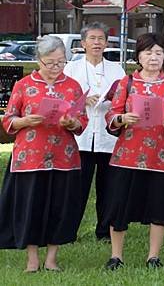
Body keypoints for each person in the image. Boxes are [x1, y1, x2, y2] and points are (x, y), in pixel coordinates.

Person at [0, 36, 88, 272]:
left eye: (60, 62)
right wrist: (25, 121)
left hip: (63, 156)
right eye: (50, 63)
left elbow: (82, 121)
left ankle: (51, 259)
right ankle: (32, 260)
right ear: (38, 60)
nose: (55, 68)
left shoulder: (72, 86)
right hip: (30, 157)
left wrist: (72, 122)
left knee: (58, 207)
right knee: (32, 207)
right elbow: (8, 120)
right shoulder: (24, 85)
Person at [103, 33, 164, 270]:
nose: (154, 57)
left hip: (161, 157)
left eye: (158, 53)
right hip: (126, 156)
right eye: (149, 52)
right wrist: (121, 117)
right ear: (139, 56)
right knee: (119, 206)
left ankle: (153, 256)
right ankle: (116, 256)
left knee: (159, 207)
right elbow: (111, 114)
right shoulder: (125, 83)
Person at [63, 22, 125, 241]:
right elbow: (62, 100)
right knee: (76, 189)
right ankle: (69, 231)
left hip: (107, 136)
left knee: (108, 188)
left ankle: (104, 231)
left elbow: (123, 97)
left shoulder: (116, 69)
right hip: (81, 137)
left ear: (107, 43)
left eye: (101, 39)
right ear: (83, 43)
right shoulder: (71, 69)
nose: (97, 43)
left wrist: (113, 99)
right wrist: (81, 101)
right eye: (92, 39)